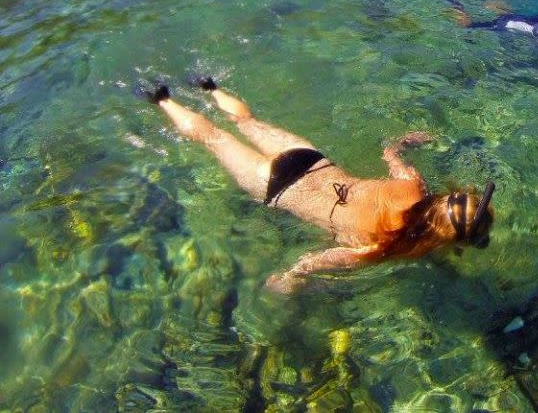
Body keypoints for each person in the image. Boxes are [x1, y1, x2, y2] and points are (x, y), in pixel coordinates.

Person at [138, 77, 495, 293]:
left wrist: (405, 143)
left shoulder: (414, 186)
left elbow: (390, 151)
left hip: (308, 160)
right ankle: (162, 99)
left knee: (246, 120)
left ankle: (209, 87)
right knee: (213, 137)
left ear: (447, 198)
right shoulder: (385, 246)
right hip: (278, 188)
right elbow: (318, 261)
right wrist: (291, 278)